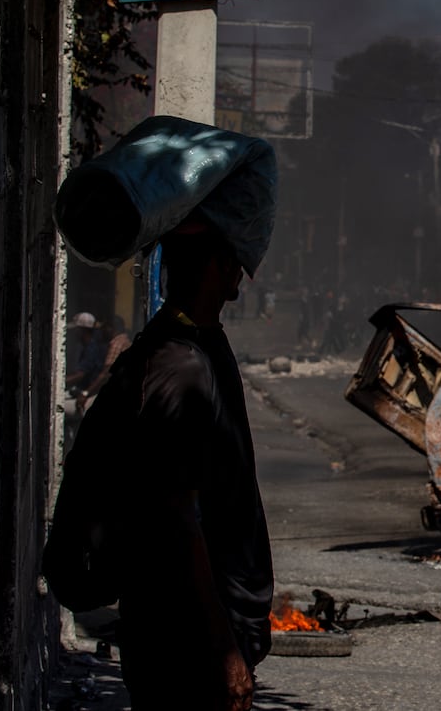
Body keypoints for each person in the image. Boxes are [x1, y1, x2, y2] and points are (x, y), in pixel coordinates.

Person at [108, 219, 273, 710]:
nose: (241, 271)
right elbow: (178, 514)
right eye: (233, 260)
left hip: (195, 629)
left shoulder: (197, 346)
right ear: (216, 267)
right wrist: (224, 651)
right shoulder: (179, 366)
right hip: (186, 638)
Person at [75, 315, 132, 415]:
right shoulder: (125, 341)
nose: (101, 331)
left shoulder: (117, 344)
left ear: (111, 328)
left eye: (104, 327)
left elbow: (106, 373)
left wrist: (86, 393)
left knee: (82, 408)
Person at [65, 311, 105, 393]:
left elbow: (81, 375)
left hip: (88, 393)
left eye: (75, 329)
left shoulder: (92, 348)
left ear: (82, 330)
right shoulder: (86, 346)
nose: (73, 333)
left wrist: (61, 382)